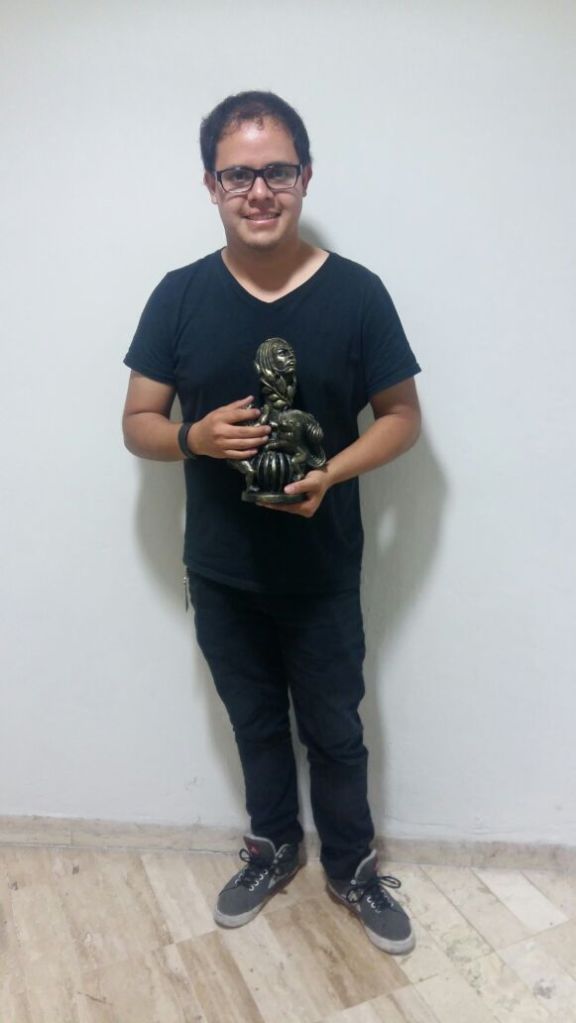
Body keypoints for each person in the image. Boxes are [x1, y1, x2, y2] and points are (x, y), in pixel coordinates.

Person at [122, 91, 421, 955]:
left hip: (322, 570)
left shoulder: (358, 293)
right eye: (238, 174)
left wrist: (333, 471)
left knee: (336, 729)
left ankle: (353, 865)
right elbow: (137, 424)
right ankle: (273, 846)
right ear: (211, 185)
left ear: (306, 176)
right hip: (221, 570)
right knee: (253, 723)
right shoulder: (179, 295)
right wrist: (194, 438)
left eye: (277, 171)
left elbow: (402, 418)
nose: (259, 191)